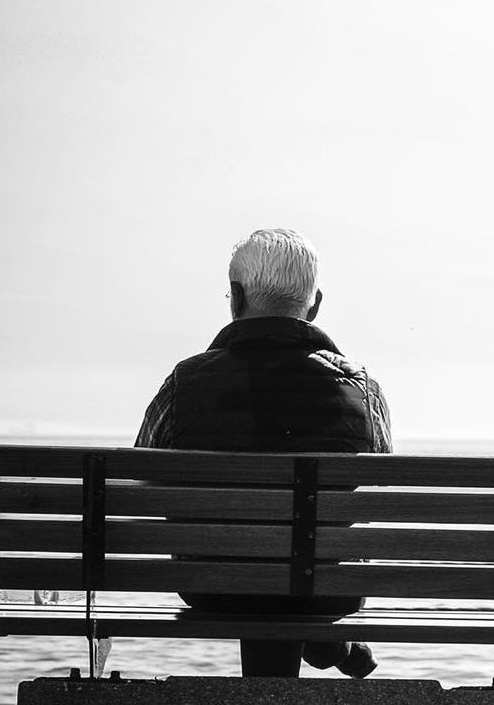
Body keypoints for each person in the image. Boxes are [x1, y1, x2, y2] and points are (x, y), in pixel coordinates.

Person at [136, 228, 392, 678]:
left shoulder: (185, 383)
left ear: (236, 298)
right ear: (314, 304)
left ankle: (321, 649)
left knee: (264, 571)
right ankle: (327, 641)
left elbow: (141, 481)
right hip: (327, 588)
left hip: (213, 586)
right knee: (300, 569)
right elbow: (380, 487)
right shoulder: (361, 389)